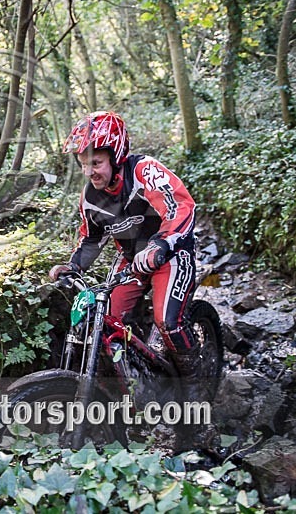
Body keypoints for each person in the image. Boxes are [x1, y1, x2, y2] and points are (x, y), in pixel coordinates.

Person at [49, 111, 203, 394]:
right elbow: (91, 239)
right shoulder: (91, 197)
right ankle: (134, 382)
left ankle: (195, 384)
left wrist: (163, 242)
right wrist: (71, 267)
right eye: (83, 165)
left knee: (167, 323)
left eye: (95, 163)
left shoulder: (143, 171)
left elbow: (180, 206)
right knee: (104, 322)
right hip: (132, 260)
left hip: (170, 253)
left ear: (115, 154)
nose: (89, 172)